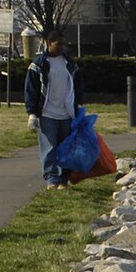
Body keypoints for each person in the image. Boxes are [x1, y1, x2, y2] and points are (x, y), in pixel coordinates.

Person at [23, 30, 83, 190]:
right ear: (49, 44)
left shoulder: (70, 65)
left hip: (67, 113)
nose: (62, 47)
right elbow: (31, 90)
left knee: (65, 147)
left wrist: (79, 106)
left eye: (64, 44)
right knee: (49, 147)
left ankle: (63, 179)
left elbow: (77, 87)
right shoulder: (38, 65)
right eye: (58, 44)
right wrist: (32, 114)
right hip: (47, 113)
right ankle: (51, 179)